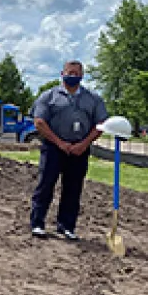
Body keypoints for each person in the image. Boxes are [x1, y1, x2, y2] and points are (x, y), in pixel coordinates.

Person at [29, 60, 107, 240]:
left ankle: (66, 226)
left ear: (82, 75)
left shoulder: (93, 99)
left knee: (73, 189)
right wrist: (59, 142)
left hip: (80, 149)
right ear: (62, 73)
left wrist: (84, 143)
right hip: (53, 148)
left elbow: (101, 124)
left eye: (76, 73)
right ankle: (38, 223)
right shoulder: (48, 97)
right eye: (69, 72)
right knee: (46, 185)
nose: (73, 76)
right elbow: (39, 122)